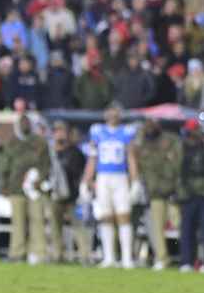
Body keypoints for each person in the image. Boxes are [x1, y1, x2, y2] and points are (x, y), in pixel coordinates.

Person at [81, 104, 139, 269]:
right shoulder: (97, 131)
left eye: (116, 112)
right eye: (110, 111)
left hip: (120, 176)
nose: (112, 114)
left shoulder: (126, 132)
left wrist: (135, 181)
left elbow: (131, 158)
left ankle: (127, 258)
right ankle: (109, 257)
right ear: (105, 114)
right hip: (103, 177)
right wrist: (86, 181)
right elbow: (92, 158)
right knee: (105, 216)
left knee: (123, 215)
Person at [0, 113, 51, 264]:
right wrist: (4, 185)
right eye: (22, 122)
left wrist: (40, 180)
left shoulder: (40, 142)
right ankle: (17, 253)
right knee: (18, 222)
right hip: (15, 188)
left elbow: (46, 165)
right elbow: (4, 165)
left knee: (37, 220)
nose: (24, 125)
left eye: (27, 122)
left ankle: (39, 253)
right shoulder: (12, 142)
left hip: (35, 189)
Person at [134, 118, 181, 270]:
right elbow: (141, 167)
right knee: (157, 228)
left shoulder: (171, 140)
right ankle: (162, 259)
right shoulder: (141, 144)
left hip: (173, 190)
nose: (149, 127)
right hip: (154, 192)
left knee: (180, 224)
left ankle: (190, 258)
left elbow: (178, 163)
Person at [47, 120, 90, 264]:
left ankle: (85, 256)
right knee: (55, 227)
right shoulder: (50, 153)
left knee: (78, 226)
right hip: (54, 195)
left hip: (72, 196)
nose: (59, 134)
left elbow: (80, 172)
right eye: (57, 131)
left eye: (62, 131)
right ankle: (58, 255)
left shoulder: (75, 152)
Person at [176, 118, 204, 273]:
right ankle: (186, 261)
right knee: (186, 230)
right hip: (187, 194)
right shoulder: (181, 147)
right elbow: (178, 171)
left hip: (203, 193)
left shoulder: (203, 145)